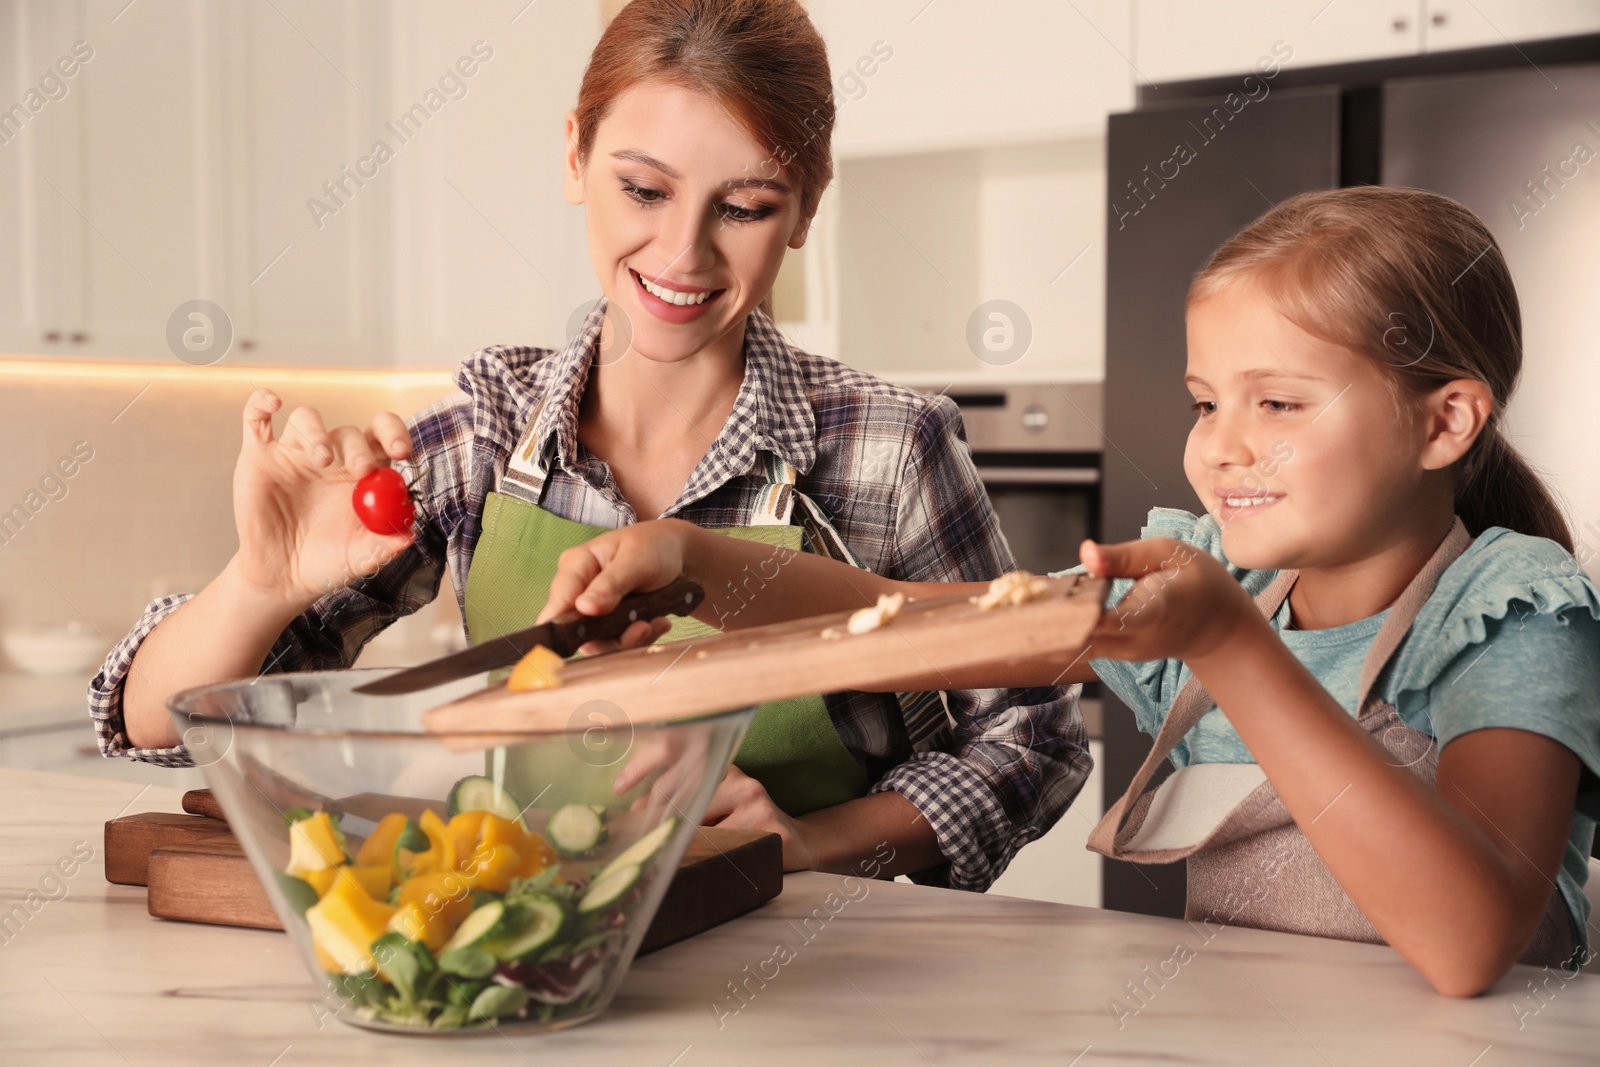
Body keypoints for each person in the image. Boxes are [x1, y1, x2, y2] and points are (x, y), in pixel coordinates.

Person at [88, 0, 1087, 892]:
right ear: (574, 156)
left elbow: (1031, 732)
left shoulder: (884, 447)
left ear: (805, 210)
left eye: (743, 207)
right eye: (644, 190)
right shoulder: (490, 425)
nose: (683, 253)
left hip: (817, 976)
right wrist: (261, 584)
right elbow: (161, 720)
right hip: (532, 955)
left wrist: (814, 842)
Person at [539, 187, 1600, 996]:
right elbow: (911, 621)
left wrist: (1230, 646)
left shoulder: (1509, 610)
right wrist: (693, 559)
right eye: (1203, 401)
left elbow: (1468, 943)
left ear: (1445, 421)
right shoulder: (1224, 581)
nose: (1222, 445)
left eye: (1276, 401)